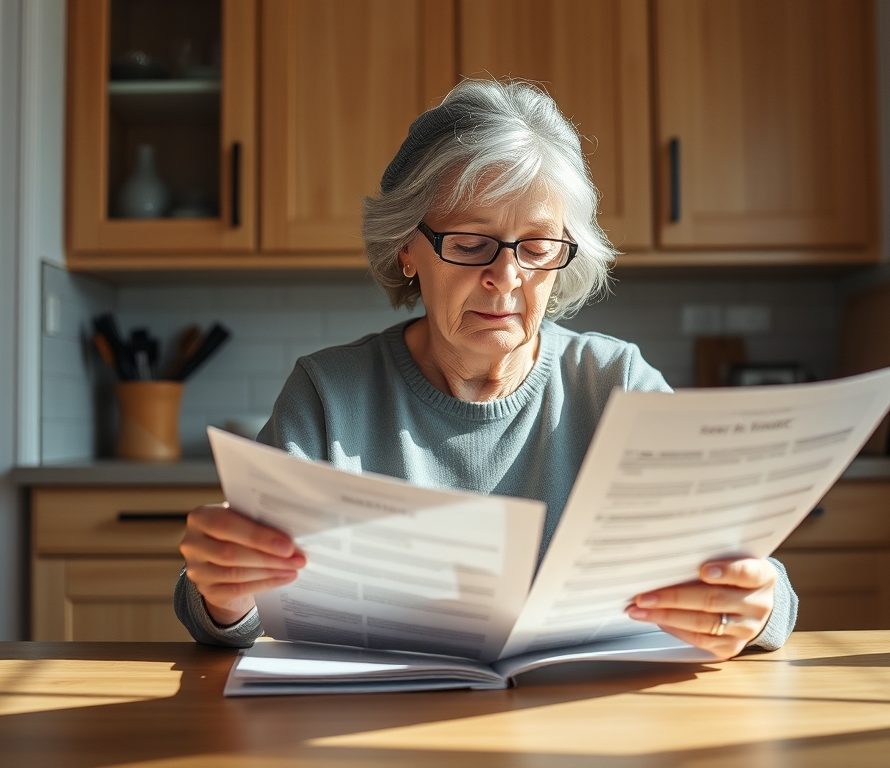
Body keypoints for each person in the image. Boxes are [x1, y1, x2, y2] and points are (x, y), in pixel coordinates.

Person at [175, 79, 797, 660]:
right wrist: (226, 596)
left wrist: (753, 604)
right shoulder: (329, 394)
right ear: (407, 248)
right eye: (471, 244)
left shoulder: (618, 384)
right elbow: (228, 609)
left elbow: (757, 585)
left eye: (537, 246)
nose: (506, 277)